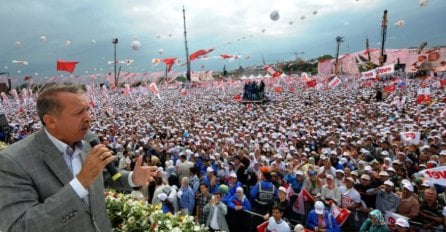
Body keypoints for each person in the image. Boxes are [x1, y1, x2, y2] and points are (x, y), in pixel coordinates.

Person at [0, 85, 158, 231]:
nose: (88, 117)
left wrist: (132, 178)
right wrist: (81, 182)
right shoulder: (13, 161)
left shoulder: (88, 139)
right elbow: (20, 227)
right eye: (78, 113)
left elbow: (103, 175)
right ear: (50, 121)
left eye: (87, 110)